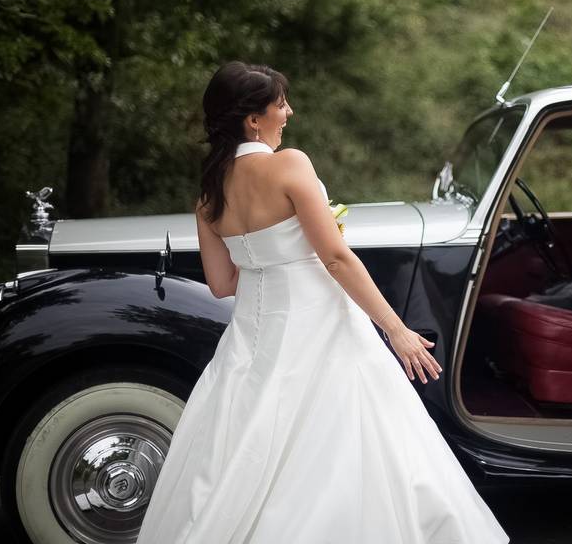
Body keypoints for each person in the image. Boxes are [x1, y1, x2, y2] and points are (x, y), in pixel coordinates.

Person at [136, 62, 509, 543]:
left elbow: (222, 285)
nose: (287, 113)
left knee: (242, 451)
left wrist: (265, 255)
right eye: (280, 104)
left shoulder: (209, 195)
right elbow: (335, 257)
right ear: (254, 118)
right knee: (354, 450)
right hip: (322, 330)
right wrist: (395, 329)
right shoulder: (289, 164)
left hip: (250, 341)